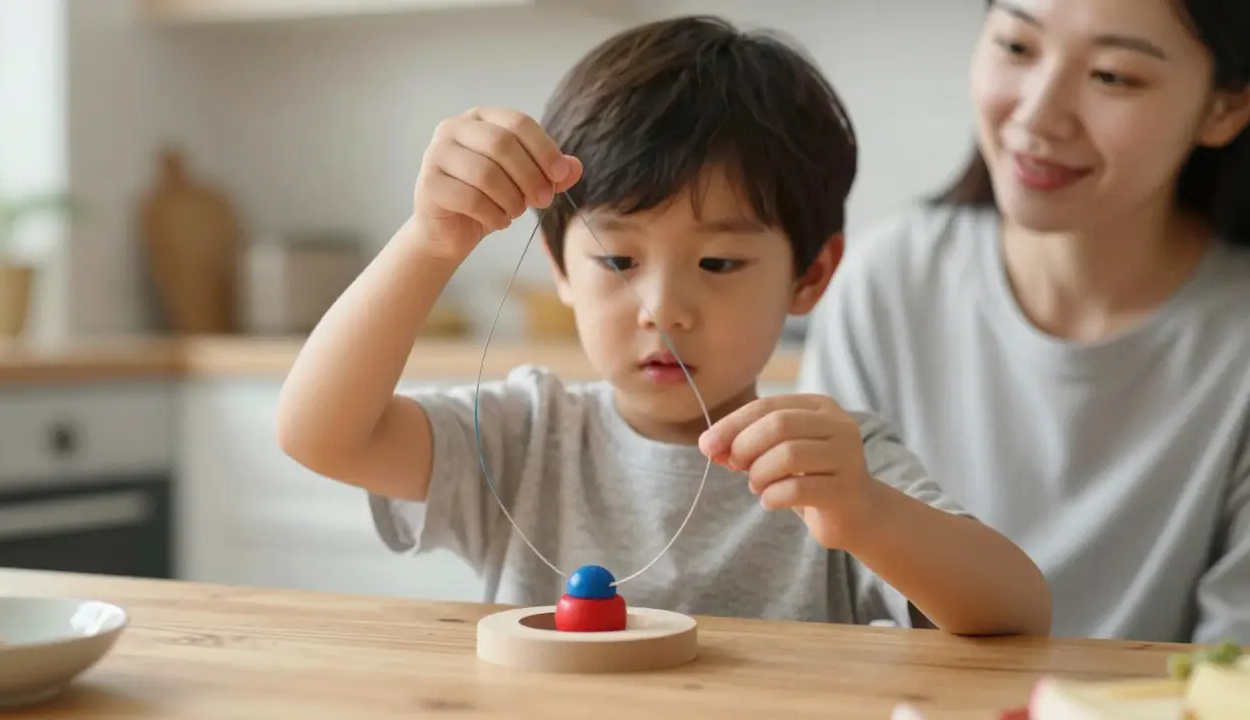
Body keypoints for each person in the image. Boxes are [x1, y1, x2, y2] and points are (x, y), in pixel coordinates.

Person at [276, 15, 1050, 637]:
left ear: (810, 277)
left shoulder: (826, 463)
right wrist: (430, 239)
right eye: (617, 261)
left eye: (718, 265)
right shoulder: (526, 435)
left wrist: (870, 513)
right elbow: (320, 434)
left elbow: (1018, 612)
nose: (661, 308)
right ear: (558, 266)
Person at [798, 0, 1250, 644]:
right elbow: (826, 601)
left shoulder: (1234, 342)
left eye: (1114, 76)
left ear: (1223, 108)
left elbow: (1235, 672)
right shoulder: (887, 280)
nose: (1038, 112)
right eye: (1017, 47)